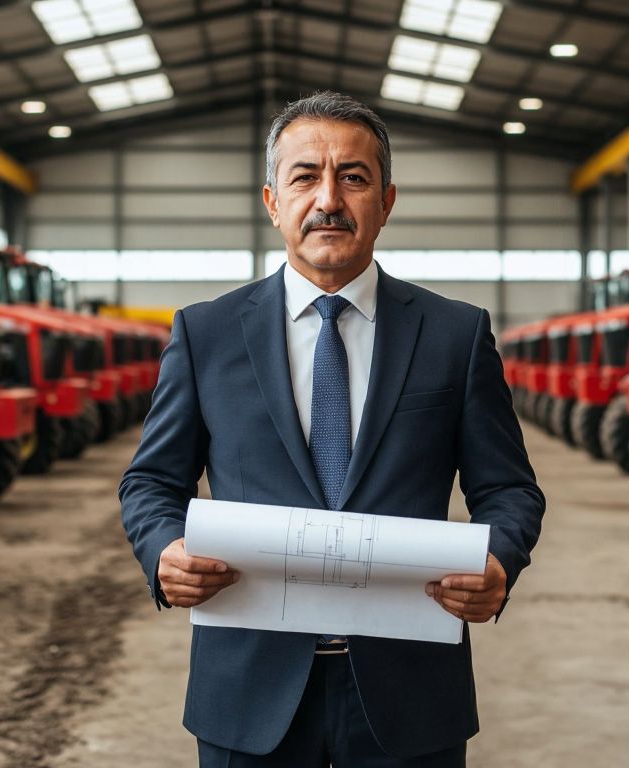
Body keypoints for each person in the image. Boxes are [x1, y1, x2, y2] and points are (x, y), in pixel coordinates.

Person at [119, 90, 544, 767]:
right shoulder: (206, 334)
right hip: (248, 689)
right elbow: (150, 482)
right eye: (305, 176)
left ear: (387, 200)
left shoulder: (455, 336)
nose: (329, 199)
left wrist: (500, 561)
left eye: (353, 177)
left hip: (408, 692)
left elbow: (511, 491)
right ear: (271, 201)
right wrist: (165, 549)